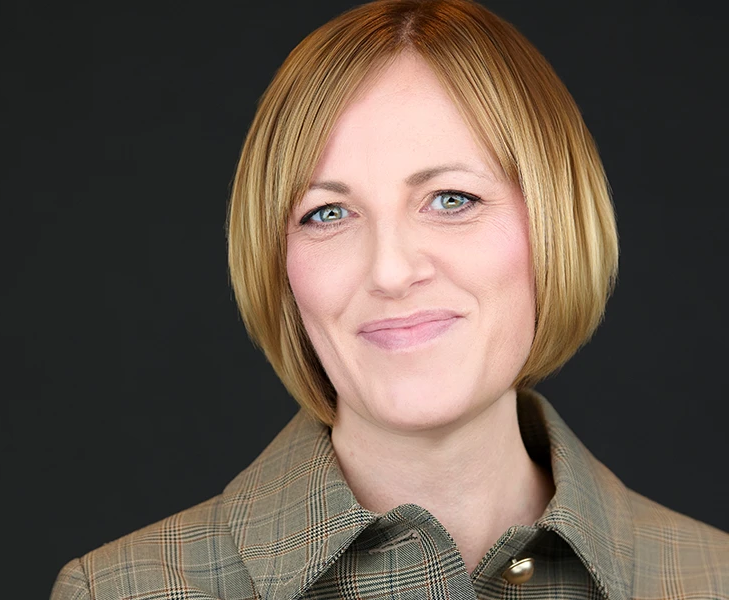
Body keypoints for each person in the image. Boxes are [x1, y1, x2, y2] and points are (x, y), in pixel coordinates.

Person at [51, 0, 729, 597]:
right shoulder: (124, 591)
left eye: (452, 200)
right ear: (277, 263)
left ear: (557, 224)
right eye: (328, 213)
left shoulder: (712, 577)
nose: (391, 269)